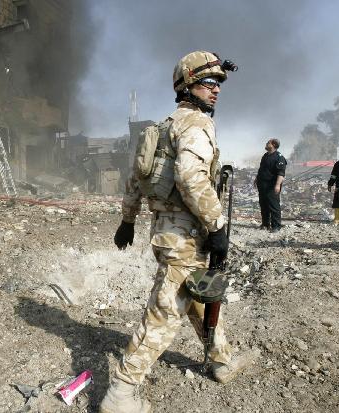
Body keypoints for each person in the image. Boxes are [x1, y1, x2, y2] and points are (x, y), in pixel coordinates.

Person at [100, 51, 257, 413]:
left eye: (219, 84)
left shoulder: (160, 127)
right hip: (186, 236)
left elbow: (135, 177)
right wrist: (217, 226)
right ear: (187, 84)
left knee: (199, 295)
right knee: (165, 313)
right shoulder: (196, 124)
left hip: (166, 230)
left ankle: (221, 360)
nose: (215, 90)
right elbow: (190, 177)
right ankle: (120, 393)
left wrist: (128, 219)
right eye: (208, 83)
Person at [254, 138, 286, 232]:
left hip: (272, 186)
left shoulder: (279, 157)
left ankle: (276, 226)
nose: (266, 144)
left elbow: (281, 173)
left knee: (273, 205)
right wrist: (257, 178)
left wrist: (277, 185)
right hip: (262, 184)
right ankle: (265, 224)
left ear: (274, 145)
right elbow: (262, 169)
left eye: (268, 143)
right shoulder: (265, 156)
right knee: (263, 204)